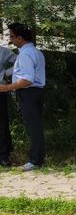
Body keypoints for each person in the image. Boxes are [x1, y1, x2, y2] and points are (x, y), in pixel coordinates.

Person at [0, 23, 46, 171]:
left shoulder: (25, 54)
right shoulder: (35, 52)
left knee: (33, 126)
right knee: (35, 125)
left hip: (28, 91)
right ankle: (37, 158)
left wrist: (6, 87)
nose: (11, 40)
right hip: (35, 91)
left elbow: (27, 79)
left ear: (20, 38)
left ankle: (35, 160)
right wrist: (6, 75)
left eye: (12, 37)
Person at [0, 45, 17, 167]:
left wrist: (6, 73)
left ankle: (3, 156)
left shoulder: (3, 51)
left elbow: (19, 61)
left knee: (1, 123)